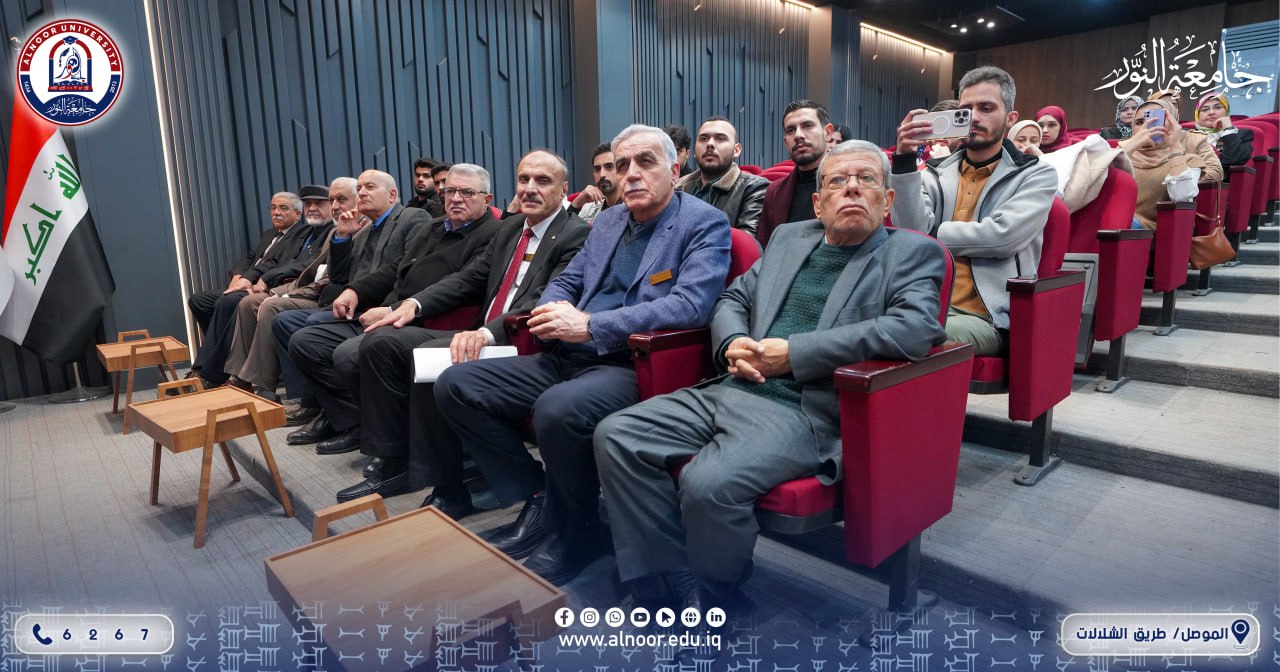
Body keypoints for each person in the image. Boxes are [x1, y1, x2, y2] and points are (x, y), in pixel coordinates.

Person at [594, 139, 947, 618]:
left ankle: (715, 593)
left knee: (708, 481)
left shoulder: (911, 253)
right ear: (818, 203)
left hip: (805, 408)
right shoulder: (788, 239)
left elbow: (916, 329)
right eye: (838, 181)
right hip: (733, 385)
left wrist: (795, 355)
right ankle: (669, 576)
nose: (852, 188)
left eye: (866, 179)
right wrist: (731, 343)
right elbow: (733, 300)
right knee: (617, 434)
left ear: (887, 201)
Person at [434, 124, 731, 585]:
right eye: (622, 165)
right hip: (568, 353)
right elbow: (568, 279)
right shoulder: (609, 221)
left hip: (632, 363)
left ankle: (575, 534)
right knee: (456, 383)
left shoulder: (703, 222)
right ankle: (539, 496)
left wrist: (591, 325)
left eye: (645, 162)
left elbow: (690, 305)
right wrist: (555, 308)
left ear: (675, 171)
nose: (630, 174)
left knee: (558, 409)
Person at [339, 151, 590, 511]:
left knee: (435, 361)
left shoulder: (575, 234)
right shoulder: (511, 228)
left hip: (524, 342)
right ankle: (397, 461)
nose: (530, 188)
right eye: (524, 180)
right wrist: (410, 305)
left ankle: (450, 487)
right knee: (383, 343)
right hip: (482, 332)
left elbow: (543, 299)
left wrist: (487, 333)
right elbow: (468, 278)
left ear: (564, 189)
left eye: (543, 181)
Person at [288, 166, 502, 464]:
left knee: (351, 355)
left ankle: (391, 446)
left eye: (466, 192)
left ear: (486, 199)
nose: (455, 198)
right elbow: (396, 267)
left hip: (430, 318)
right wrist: (355, 290)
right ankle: (356, 422)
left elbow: (463, 284)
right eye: (450, 191)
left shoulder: (494, 232)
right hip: (389, 309)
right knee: (306, 341)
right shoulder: (434, 226)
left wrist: (393, 310)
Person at [891, 65, 1057, 356]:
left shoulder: (1035, 174)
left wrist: (931, 234)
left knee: (905, 335)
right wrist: (904, 160)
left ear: (1010, 118)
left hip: (988, 315)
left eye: (986, 108)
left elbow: (1002, 238)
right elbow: (909, 232)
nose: (974, 117)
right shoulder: (935, 172)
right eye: (966, 110)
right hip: (924, 303)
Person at [223, 178, 357, 409]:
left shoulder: (347, 229)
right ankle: (241, 379)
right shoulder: (328, 232)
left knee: (270, 306)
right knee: (248, 302)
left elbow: (326, 279)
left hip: (330, 298)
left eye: (338, 200)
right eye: (309, 204)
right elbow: (309, 272)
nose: (334, 206)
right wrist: (272, 288)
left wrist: (280, 295)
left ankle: (266, 388)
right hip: (309, 290)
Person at [187, 192, 327, 387]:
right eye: (273, 208)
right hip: (249, 284)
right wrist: (239, 275)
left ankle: (210, 373)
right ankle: (219, 357)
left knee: (230, 302)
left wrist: (258, 280)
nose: (276, 212)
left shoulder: (301, 234)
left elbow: (284, 265)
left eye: (283, 208)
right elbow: (251, 257)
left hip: (271, 286)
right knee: (200, 300)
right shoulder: (270, 234)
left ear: (298, 214)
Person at [1121, 98, 1223, 229]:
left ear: (1172, 122)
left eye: (1156, 121)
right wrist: (1128, 147)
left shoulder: (1188, 157)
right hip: (1114, 218)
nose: (1146, 127)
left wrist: (1188, 174)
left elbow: (1183, 195)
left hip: (1146, 225)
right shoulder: (1124, 150)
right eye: (1139, 122)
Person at [758, 100, 834, 248]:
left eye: (807, 126)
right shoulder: (774, 192)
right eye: (791, 130)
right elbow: (765, 248)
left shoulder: (852, 185)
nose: (798, 135)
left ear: (828, 133)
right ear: (786, 142)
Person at [676, 116, 769, 236]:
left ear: (737, 150)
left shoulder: (754, 188)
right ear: (694, 151)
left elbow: (745, 242)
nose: (710, 144)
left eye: (720, 139)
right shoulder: (678, 187)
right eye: (703, 139)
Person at [1192, 92, 1254, 173]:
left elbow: (1234, 161)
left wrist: (1228, 129)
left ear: (1226, 111)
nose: (1211, 112)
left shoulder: (1243, 135)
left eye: (1217, 107)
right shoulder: (1188, 136)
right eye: (1205, 109)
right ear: (1198, 115)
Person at [568, 144, 623, 224]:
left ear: (621, 170)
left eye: (609, 166)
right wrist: (576, 204)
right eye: (597, 169)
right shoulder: (588, 210)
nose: (602, 175)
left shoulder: (634, 209)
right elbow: (563, 231)